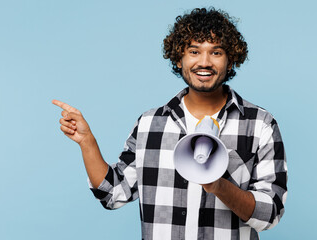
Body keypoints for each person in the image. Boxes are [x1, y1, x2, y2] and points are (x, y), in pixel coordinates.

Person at [53, 7, 287, 240]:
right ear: (178, 59)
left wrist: (219, 186)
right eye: (194, 51)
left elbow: (270, 214)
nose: (204, 62)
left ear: (230, 60)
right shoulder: (149, 125)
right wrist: (87, 143)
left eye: (216, 53)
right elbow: (113, 193)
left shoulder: (260, 124)